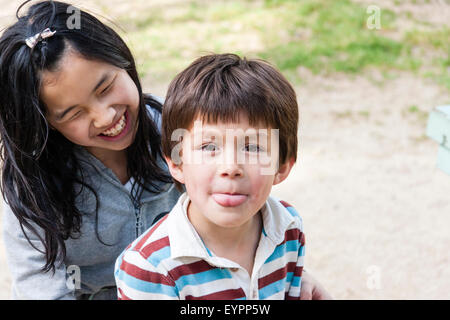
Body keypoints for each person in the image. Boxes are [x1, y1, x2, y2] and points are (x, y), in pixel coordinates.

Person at [0, 0, 330, 300]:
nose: (105, 116)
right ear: (48, 125)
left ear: (123, 61)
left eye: (105, 87)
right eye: (73, 113)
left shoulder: (181, 134)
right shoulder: (32, 185)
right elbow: (40, 290)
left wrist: (278, 274)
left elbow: (243, 198)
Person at [114, 53, 306, 300]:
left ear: (282, 167)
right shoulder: (151, 267)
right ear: (176, 163)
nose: (231, 167)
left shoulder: (288, 227)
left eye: (253, 147)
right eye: (208, 147)